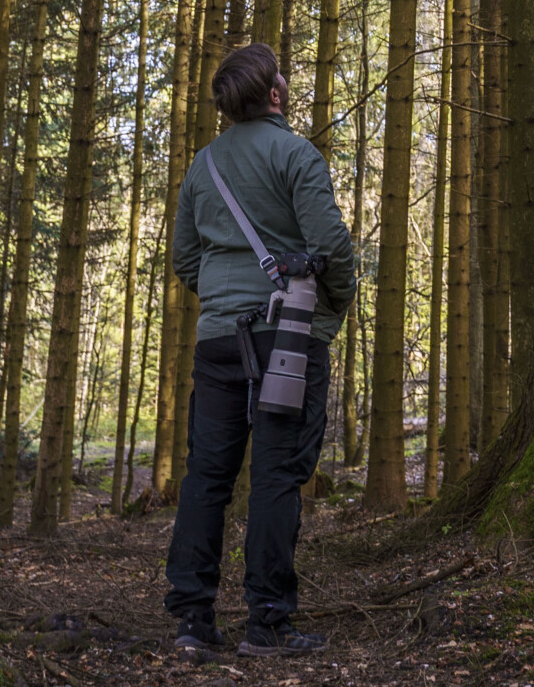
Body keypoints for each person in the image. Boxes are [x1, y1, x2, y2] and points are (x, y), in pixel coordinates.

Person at [164, 41, 355, 657]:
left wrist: (224, 299)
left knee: (206, 477)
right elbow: (332, 246)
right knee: (276, 476)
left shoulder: (203, 167)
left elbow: (185, 260)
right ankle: (267, 623)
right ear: (274, 92)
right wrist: (332, 308)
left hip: (218, 339)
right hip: (288, 338)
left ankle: (192, 621)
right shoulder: (296, 155)